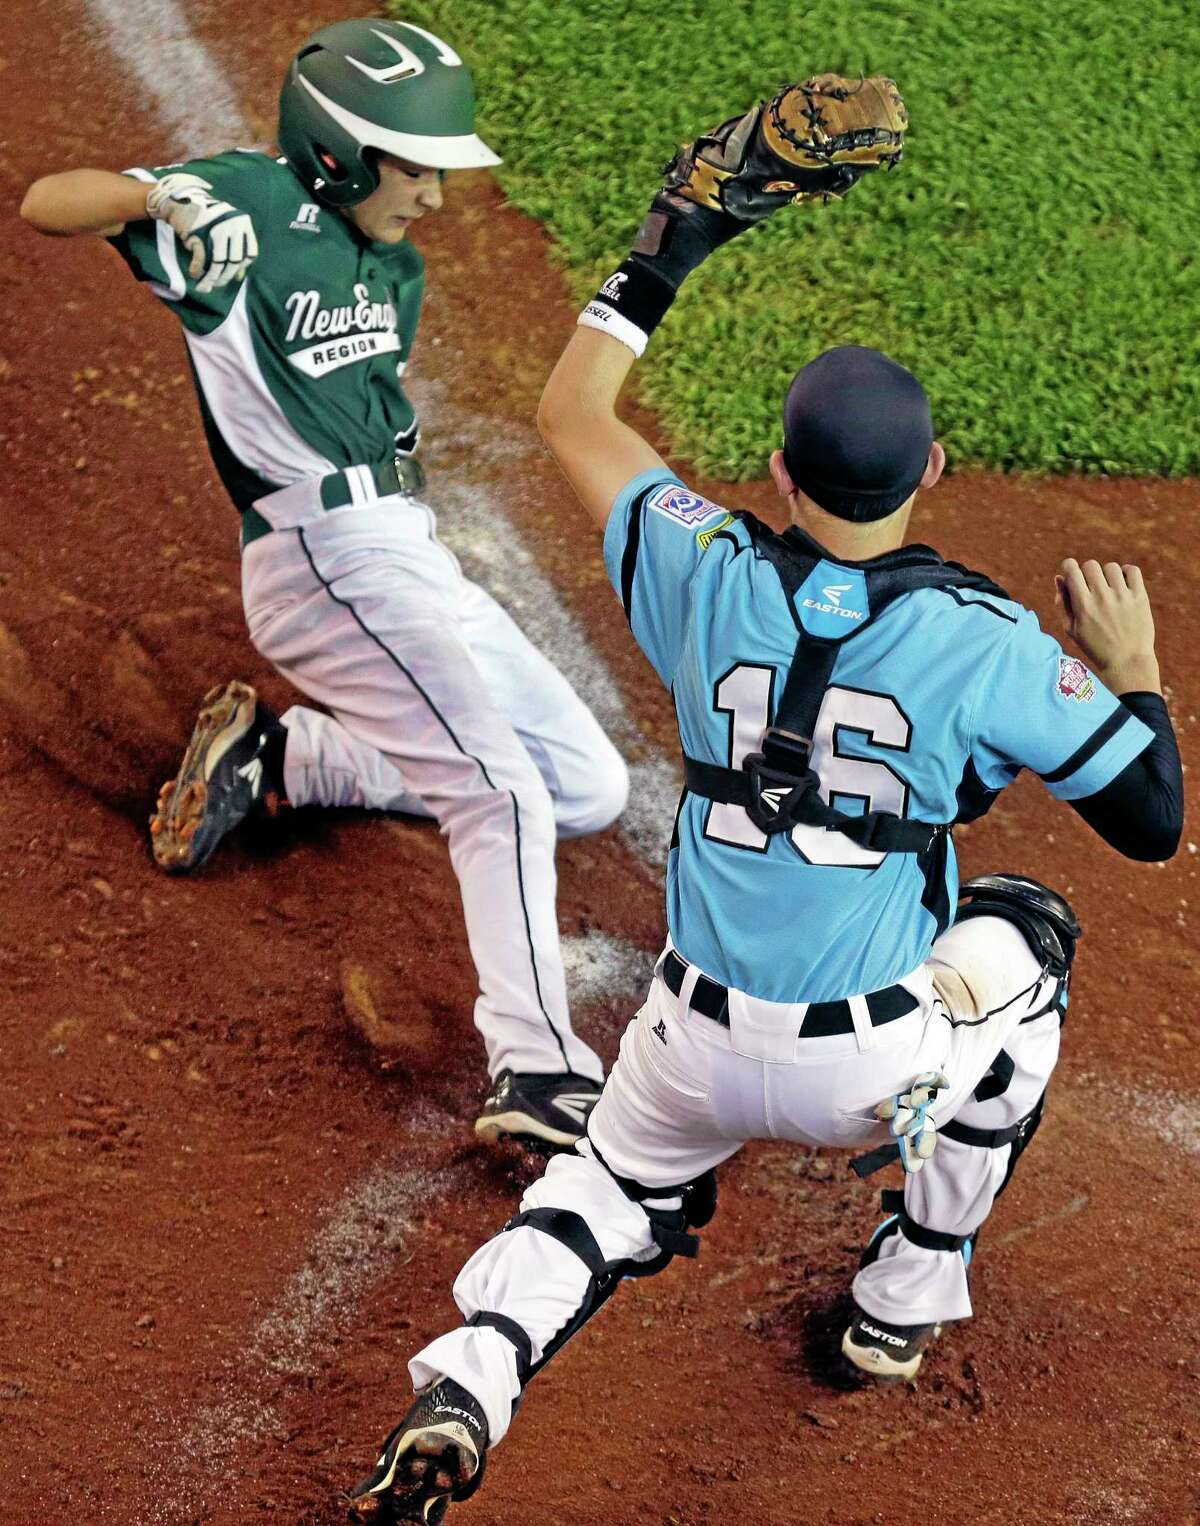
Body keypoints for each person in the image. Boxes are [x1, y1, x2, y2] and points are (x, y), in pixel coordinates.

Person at [341, 72, 1184, 1521]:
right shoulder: (986, 644)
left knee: (598, 1195)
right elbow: (1154, 813)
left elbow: (572, 409)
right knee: (1029, 941)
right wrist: (1138, 668)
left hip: (683, 1045)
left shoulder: (698, 568)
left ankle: (470, 1379)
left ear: (778, 471)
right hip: (873, 1072)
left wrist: (677, 236)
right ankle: (904, 1299)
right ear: (932, 470)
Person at [19, 18, 630, 1151]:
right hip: (322, 560)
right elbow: (51, 199)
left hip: (408, 553)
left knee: (588, 786)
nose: (436, 199)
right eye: (418, 169)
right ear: (344, 153)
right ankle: (537, 1065)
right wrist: (156, 205)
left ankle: (289, 757)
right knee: (501, 792)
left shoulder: (394, 266)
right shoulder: (241, 203)